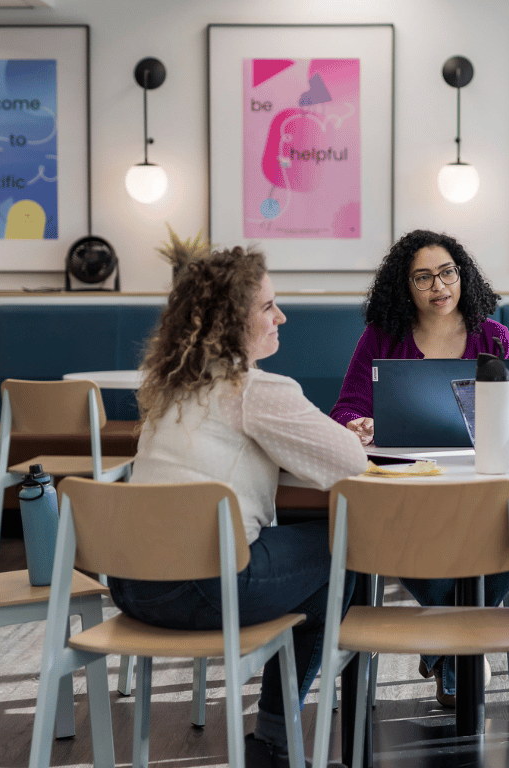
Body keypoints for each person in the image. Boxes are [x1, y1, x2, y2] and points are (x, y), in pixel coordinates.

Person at [113, 230, 368, 768]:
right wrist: (342, 439)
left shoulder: (173, 388)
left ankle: (279, 732)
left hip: (131, 585)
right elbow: (349, 463)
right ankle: (276, 738)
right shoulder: (254, 389)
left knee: (299, 554)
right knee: (347, 548)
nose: (281, 318)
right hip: (203, 588)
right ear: (233, 323)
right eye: (269, 307)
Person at [329, 228, 509, 707]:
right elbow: (345, 407)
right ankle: (460, 655)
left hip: (480, 489)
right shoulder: (382, 338)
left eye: (447, 273)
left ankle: (445, 656)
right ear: (405, 287)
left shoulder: (494, 337)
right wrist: (356, 423)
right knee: (407, 543)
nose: (439, 287)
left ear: (462, 275)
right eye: (423, 278)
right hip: (408, 491)